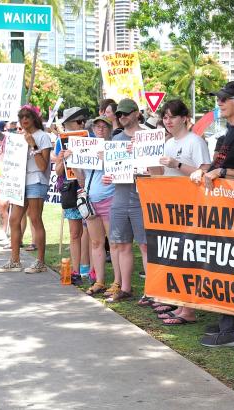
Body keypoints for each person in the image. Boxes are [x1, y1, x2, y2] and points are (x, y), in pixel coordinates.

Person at [190, 81, 234, 347]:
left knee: (229, 265)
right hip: (223, 209)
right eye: (218, 99)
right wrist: (203, 170)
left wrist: (221, 172)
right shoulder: (231, 130)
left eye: (223, 99)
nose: (218, 103)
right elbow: (218, 165)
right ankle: (229, 318)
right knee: (221, 263)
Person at [147, 99, 211, 324]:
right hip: (171, 206)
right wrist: (145, 161)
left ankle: (188, 310)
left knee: (188, 256)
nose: (168, 121)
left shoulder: (195, 142)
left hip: (192, 206)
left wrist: (177, 165)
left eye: (172, 116)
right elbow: (160, 173)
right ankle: (179, 304)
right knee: (175, 255)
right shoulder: (168, 143)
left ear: (185, 118)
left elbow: (205, 173)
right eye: (165, 117)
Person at [0, 105, 52, 273]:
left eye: (27, 116)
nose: (24, 119)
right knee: (14, 220)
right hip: (20, 181)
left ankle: (40, 262)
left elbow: (43, 166)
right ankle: (15, 261)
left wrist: (33, 145)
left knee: (35, 218)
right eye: (21, 117)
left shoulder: (43, 137)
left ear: (34, 118)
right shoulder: (19, 138)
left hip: (37, 180)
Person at [102, 98, 148, 303]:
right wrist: (108, 176)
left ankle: (150, 291)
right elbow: (112, 169)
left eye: (126, 113)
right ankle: (125, 288)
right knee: (121, 244)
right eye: (119, 114)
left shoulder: (148, 137)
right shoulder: (116, 140)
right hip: (120, 197)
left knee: (145, 246)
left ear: (136, 113)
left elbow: (157, 170)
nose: (122, 117)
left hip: (142, 199)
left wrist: (140, 152)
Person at [79, 116, 119, 296]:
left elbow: (122, 172)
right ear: (93, 129)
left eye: (104, 126)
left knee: (114, 243)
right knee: (96, 242)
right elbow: (82, 179)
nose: (100, 129)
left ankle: (117, 282)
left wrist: (108, 159)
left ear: (110, 129)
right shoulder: (87, 148)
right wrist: (72, 161)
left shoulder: (115, 148)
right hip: (90, 202)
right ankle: (100, 281)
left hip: (110, 199)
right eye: (97, 126)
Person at [54, 106, 91, 285]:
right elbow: (58, 171)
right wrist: (63, 158)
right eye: (78, 121)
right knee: (75, 232)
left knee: (90, 231)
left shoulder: (90, 138)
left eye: (83, 121)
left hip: (89, 188)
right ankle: (75, 271)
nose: (81, 124)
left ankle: (87, 268)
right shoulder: (60, 141)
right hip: (71, 189)